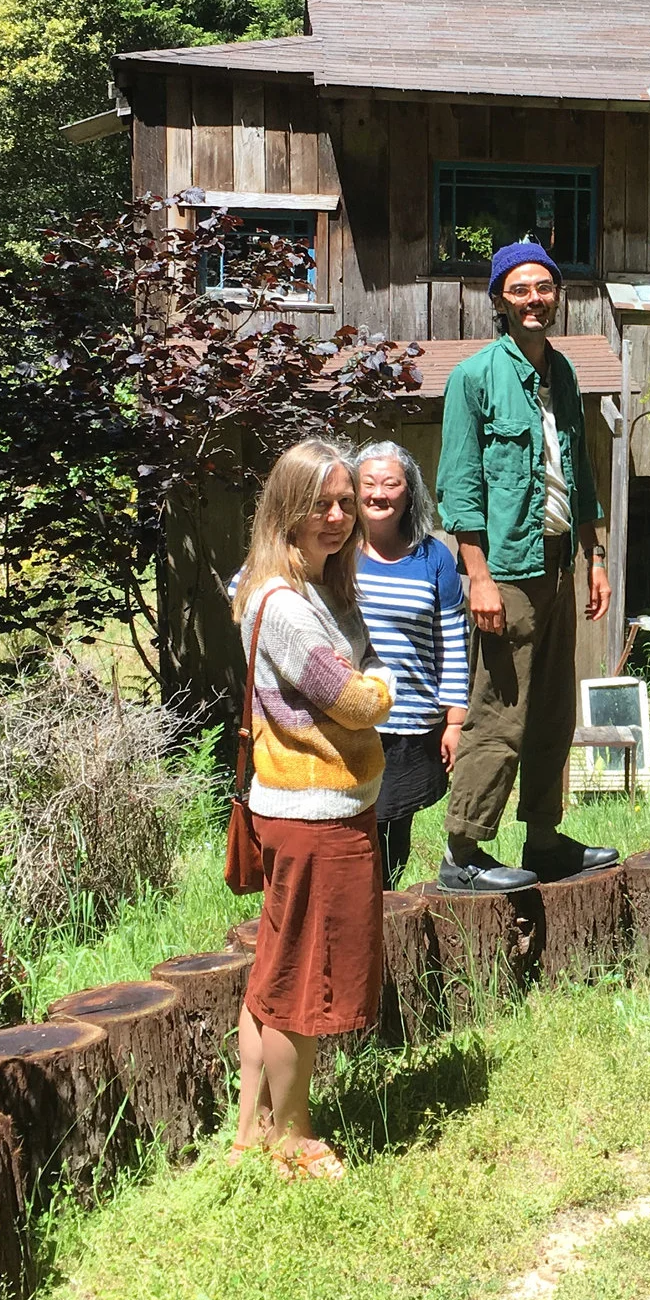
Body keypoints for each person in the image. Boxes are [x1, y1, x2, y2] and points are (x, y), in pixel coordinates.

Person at [230, 438, 397, 1177]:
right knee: (303, 979)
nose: (336, 516)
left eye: (345, 502)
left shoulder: (308, 587)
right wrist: (385, 682)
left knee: (272, 971)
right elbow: (354, 699)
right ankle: (293, 1137)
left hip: (297, 805)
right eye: (320, 503)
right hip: (315, 813)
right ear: (286, 510)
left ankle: (250, 1131)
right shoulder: (288, 606)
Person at [434, 241, 616, 891]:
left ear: (555, 294)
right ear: (500, 301)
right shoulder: (474, 377)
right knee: (500, 708)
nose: (535, 299)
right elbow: (457, 485)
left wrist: (594, 556)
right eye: (520, 289)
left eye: (543, 287)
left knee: (551, 708)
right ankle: (464, 848)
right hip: (506, 571)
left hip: (560, 561)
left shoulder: (562, 374)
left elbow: (582, 474)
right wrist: (477, 575)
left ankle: (543, 837)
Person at [350, 440, 469, 886]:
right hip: (348, 718)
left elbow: (453, 640)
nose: (379, 494)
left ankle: (389, 926)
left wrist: (455, 719)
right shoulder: (335, 548)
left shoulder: (433, 556)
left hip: (412, 720)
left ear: (409, 492)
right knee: (352, 833)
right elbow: (253, 583)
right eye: (369, 483)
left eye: (391, 483)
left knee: (394, 829)